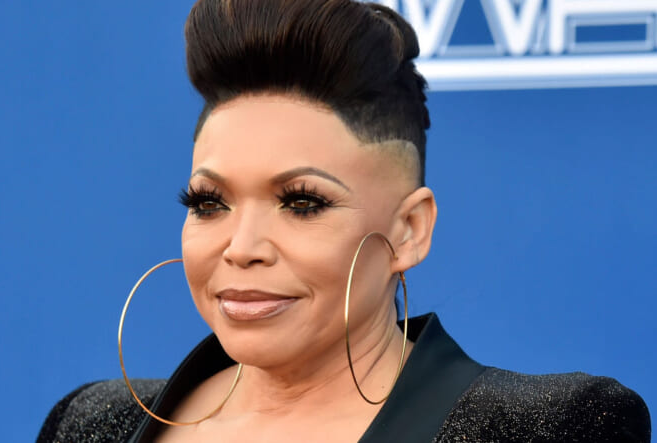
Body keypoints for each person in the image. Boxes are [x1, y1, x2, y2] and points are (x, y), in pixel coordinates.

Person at [37, 1, 651, 441]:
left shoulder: (542, 428)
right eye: (209, 203)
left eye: (302, 203)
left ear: (410, 230)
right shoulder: (91, 424)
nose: (241, 247)